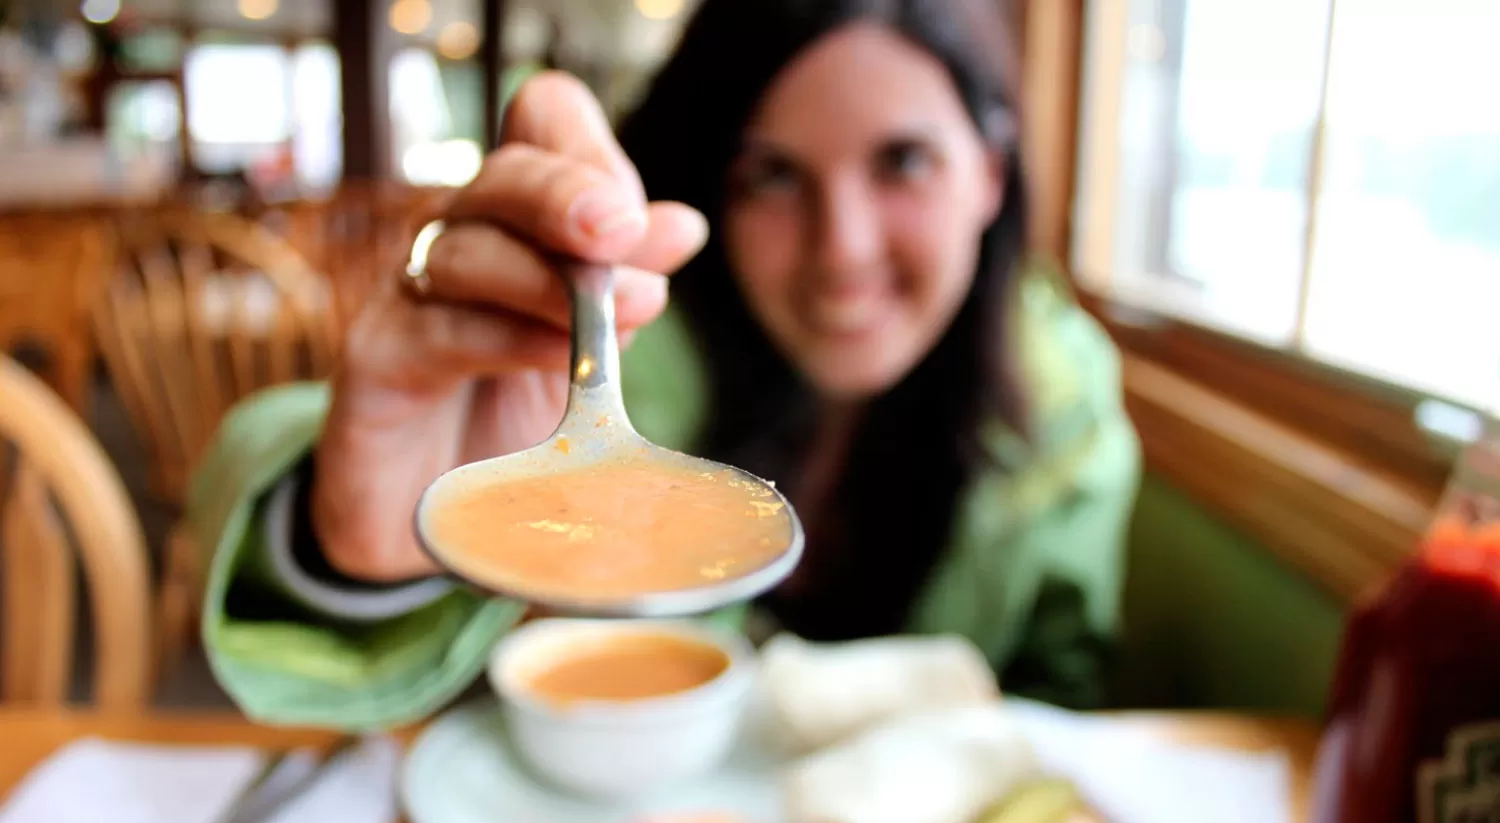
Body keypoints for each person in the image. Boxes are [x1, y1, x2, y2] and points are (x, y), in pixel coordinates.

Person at [191, 0, 1141, 731]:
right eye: (773, 174)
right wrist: (344, 547)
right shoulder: (619, 338)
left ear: (991, 172)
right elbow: (243, 453)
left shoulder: (1065, 403)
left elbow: (1056, 710)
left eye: (902, 163)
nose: (843, 250)